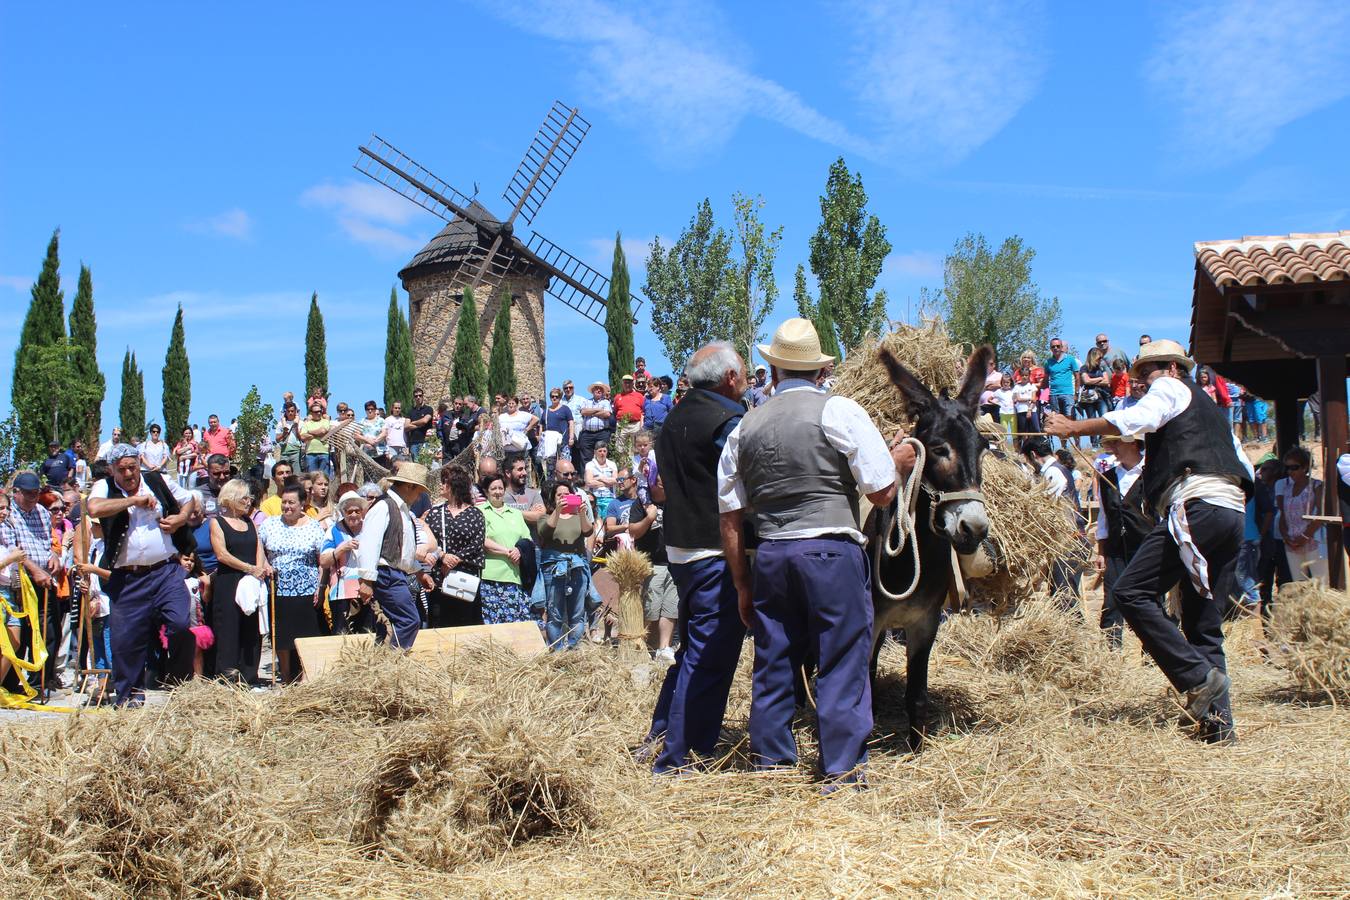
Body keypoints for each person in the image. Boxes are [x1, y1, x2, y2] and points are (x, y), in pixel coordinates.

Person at [1044, 338, 1253, 744]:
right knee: (1203, 623)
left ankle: (1196, 678)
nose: (1141, 380)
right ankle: (1218, 728)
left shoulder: (1171, 388)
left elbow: (1139, 418)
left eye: (1147, 372)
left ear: (1172, 368)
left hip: (1198, 506)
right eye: (1138, 375)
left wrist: (1075, 427)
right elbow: (1244, 466)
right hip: (1230, 513)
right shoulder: (1213, 414)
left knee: (1130, 593)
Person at [719, 319, 898, 786]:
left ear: (773, 370)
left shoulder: (745, 427)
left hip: (773, 556)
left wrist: (742, 581)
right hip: (830, 551)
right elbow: (880, 492)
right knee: (840, 656)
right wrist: (897, 463)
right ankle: (840, 767)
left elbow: (730, 516)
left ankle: (773, 763)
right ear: (819, 372)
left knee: (774, 657)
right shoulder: (840, 411)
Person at [85, 445, 198, 706]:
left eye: (132, 467)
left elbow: (189, 499)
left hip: (165, 571)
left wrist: (180, 519)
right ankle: (130, 697)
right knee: (125, 641)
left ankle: (181, 685)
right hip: (127, 578)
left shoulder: (158, 479)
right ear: (112, 469)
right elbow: (94, 509)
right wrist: (133, 501)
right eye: (122, 469)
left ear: (139, 464)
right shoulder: (104, 487)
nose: (128, 474)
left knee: (180, 624)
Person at [353, 463, 429, 648]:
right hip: (387, 575)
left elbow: (403, 551)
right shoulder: (384, 507)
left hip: (395, 573)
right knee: (409, 621)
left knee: (386, 624)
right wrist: (366, 580)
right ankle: (394, 663)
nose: (420, 496)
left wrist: (418, 572)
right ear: (409, 486)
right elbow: (370, 544)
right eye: (419, 491)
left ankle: (381, 663)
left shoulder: (402, 511)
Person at [258, 481, 327, 682]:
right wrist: (264, 564)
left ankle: (306, 675)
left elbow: (322, 559)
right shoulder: (270, 524)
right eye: (284, 503)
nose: (287, 507)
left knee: (307, 634)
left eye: (292, 503)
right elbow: (259, 547)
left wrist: (321, 587)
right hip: (279, 588)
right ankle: (287, 677)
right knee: (282, 636)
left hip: (306, 588)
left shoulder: (313, 527)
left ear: (302, 504)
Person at [1093, 434, 1152, 649]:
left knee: (1150, 602)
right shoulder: (1107, 477)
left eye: (1116, 442)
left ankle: (1153, 657)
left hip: (1146, 548)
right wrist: (1101, 551)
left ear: (1134, 443)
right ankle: (1111, 654)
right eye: (1110, 444)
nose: (1112, 448)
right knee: (1112, 602)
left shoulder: (1153, 473)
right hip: (1116, 550)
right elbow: (1103, 517)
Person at [208, 479, 268, 683]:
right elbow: (222, 555)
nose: (248, 501)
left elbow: (258, 546)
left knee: (252, 628)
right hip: (229, 581)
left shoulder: (249, 521)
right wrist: (249, 568)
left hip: (252, 580)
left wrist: (258, 570)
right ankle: (228, 676)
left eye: (250, 498)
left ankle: (250, 675)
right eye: (244, 498)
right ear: (232, 498)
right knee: (229, 629)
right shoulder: (218, 522)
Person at [1021, 436, 1086, 609]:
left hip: (1069, 542)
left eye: (1027, 460)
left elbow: (1046, 508)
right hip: (1065, 542)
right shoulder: (1057, 470)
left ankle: (1078, 633)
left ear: (1033, 455)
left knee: (1064, 597)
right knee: (1061, 595)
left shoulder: (1052, 472)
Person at [423, 465, 485, 628]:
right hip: (440, 577)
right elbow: (427, 541)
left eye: (445, 482)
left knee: (466, 623)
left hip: (465, 578)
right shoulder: (435, 513)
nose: (440, 485)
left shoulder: (475, 514)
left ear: (455, 485)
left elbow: (477, 543)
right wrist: (443, 557)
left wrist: (455, 559)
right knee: (439, 621)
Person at [537, 478, 594, 649]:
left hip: (577, 567)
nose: (563, 497)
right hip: (554, 569)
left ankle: (573, 649)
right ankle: (557, 650)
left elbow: (588, 531)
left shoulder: (578, 516)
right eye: (559, 495)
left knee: (577, 613)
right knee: (555, 614)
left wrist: (582, 512)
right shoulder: (546, 516)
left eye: (567, 494)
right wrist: (558, 511)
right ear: (553, 498)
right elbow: (544, 531)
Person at [476, 470, 533, 624]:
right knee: (493, 621)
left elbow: (527, 539)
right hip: (491, 576)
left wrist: (519, 551)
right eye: (493, 489)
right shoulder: (480, 512)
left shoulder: (516, 513)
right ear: (486, 492)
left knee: (515, 620)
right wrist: (507, 552)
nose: (498, 492)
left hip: (514, 575)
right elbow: (483, 540)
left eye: (500, 488)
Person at [1274, 446, 1327, 583]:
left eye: (1294, 467)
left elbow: (1321, 514)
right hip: (1291, 543)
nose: (1290, 471)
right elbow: (1283, 515)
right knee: (1298, 584)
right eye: (1288, 468)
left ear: (1305, 467)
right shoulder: (1286, 489)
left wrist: (1304, 536)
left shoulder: (1316, 486)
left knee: (1321, 583)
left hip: (1313, 541)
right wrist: (1286, 537)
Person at [320, 491, 368, 635]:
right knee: (342, 634)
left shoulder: (369, 528)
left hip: (366, 589)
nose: (353, 515)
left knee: (367, 633)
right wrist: (342, 548)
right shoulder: (333, 530)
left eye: (357, 511)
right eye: (349, 511)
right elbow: (324, 561)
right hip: (341, 592)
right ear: (343, 512)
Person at [1042, 338, 1080, 449]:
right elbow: (1045, 380)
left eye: (1058, 346)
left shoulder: (1070, 359)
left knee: (1070, 418)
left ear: (1061, 347)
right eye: (1053, 346)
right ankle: (1064, 446)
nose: (1055, 348)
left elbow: (1077, 376)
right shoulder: (1048, 362)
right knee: (1058, 420)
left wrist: (1076, 392)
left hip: (1068, 393)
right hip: (1054, 394)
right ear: (1050, 348)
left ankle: (1077, 444)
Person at [576, 382, 613, 469]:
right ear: (592, 391)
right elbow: (583, 412)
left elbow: (607, 414)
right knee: (585, 458)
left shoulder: (606, 402)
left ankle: (601, 477)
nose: (598, 390)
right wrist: (597, 410)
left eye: (600, 389)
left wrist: (590, 412)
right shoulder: (586, 401)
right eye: (596, 388)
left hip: (602, 433)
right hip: (587, 434)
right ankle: (586, 479)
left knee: (602, 456)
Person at [498, 396, 540, 465]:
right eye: (509, 403)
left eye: (513, 403)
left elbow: (536, 419)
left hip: (520, 449)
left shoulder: (523, 415)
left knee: (521, 469)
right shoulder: (502, 416)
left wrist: (527, 429)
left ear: (517, 405)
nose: (511, 405)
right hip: (506, 450)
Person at [585, 442, 618, 518]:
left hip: (610, 497)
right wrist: (608, 483)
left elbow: (615, 481)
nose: (602, 453)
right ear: (595, 452)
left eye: (604, 451)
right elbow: (589, 482)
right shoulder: (589, 465)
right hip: (595, 498)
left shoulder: (612, 464)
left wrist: (599, 478)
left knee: (608, 520)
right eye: (600, 451)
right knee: (596, 520)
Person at [299, 401, 333, 475]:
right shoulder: (307, 424)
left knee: (324, 477)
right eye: (316, 411)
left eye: (320, 411)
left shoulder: (325, 421)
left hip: (324, 452)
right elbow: (302, 436)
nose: (318, 413)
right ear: (311, 413)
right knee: (312, 477)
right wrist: (318, 434)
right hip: (310, 453)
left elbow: (323, 431)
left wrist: (309, 432)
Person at [407, 387, 435, 461]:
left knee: (426, 464)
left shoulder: (428, 409)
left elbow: (425, 421)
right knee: (415, 466)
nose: (418, 397)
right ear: (414, 398)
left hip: (426, 442)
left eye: (420, 395)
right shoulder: (410, 411)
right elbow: (406, 426)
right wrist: (419, 424)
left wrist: (412, 423)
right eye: (416, 396)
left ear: (423, 396)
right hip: (414, 443)